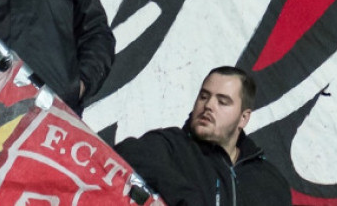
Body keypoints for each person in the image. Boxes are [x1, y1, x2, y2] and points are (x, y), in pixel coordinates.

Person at [115, 67, 291, 205]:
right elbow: (122, 154)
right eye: (204, 96)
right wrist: (186, 197)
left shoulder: (271, 182)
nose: (209, 105)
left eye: (222, 102)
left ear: (243, 118)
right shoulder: (171, 145)